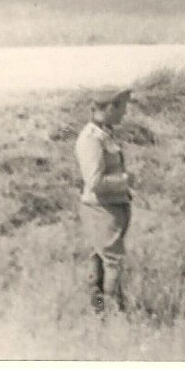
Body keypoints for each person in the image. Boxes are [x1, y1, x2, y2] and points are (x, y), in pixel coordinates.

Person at [75, 87, 135, 313]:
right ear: (110, 107)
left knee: (100, 261)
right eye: (122, 108)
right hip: (101, 209)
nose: (124, 113)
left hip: (110, 208)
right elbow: (95, 182)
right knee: (112, 263)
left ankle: (99, 313)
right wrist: (126, 180)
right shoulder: (91, 139)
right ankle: (113, 314)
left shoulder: (103, 134)